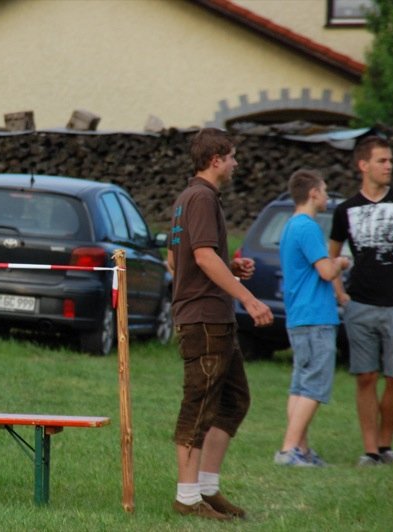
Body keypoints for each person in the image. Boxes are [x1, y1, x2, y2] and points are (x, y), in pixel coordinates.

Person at [167, 128, 273, 521]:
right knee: (198, 407)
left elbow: (176, 260)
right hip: (204, 319)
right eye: (232, 157)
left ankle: (207, 488)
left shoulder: (187, 198)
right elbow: (201, 257)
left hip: (212, 317)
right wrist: (248, 298)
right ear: (216, 160)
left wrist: (228, 267)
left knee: (233, 401)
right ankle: (187, 497)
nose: (236, 163)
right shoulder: (201, 198)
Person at [329, 135, 393, 467]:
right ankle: (370, 450)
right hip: (361, 304)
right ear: (363, 165)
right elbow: (331, 256)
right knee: (366, 376)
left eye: (391, 161)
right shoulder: (345, 210)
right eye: (382, 160)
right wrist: (341, 295)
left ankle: (386, 444)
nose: (389, 166)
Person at [275, 170, 351, 467]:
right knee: (314, 386)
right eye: (325, 190)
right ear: (313, 193)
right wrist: (341, 262)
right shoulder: (307, 227)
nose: (327, 197)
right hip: (315, 316)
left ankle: (301, 450)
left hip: (298, 315)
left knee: (300, 386)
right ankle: (289, 450)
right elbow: (326, 272)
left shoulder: (290, 226)